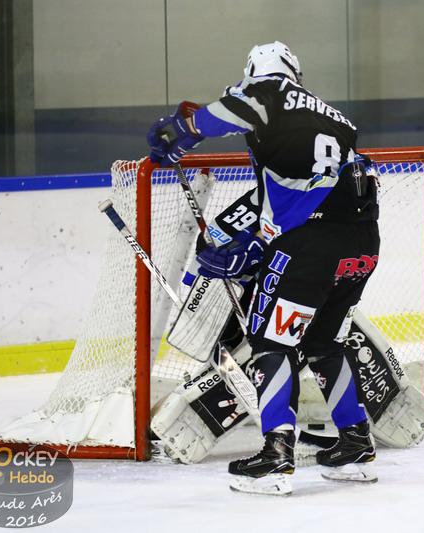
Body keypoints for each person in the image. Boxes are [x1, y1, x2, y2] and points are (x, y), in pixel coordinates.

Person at [147, 41, 380, 495]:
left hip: (310, 247)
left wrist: (185, 130)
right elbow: (309, 190)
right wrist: (250, 241)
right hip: (362, 246)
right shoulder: (337, 120)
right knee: (323, 342)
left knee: (270, 342)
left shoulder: (270, 92)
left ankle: (275, 458)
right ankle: (356, 445)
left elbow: (239, 107)